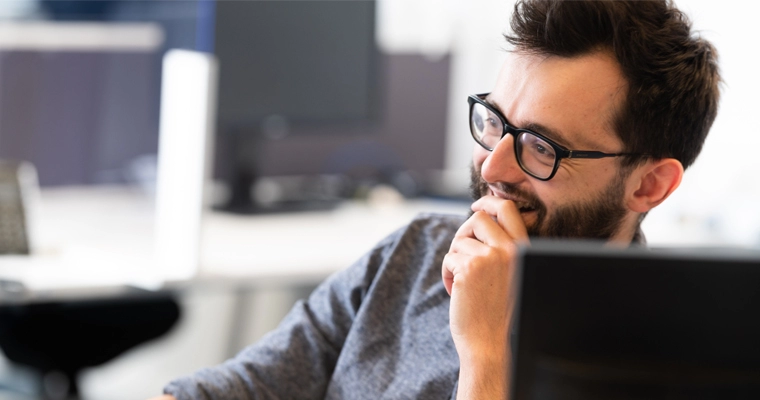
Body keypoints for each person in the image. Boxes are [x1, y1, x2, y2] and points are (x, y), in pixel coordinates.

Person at [152, 0, 720, 398]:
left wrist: (484, 352)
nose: (492, 166)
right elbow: (243, 388)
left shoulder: (668, 363)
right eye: (495, 123)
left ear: (649, 185)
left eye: (542, 149)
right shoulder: (416, 252)